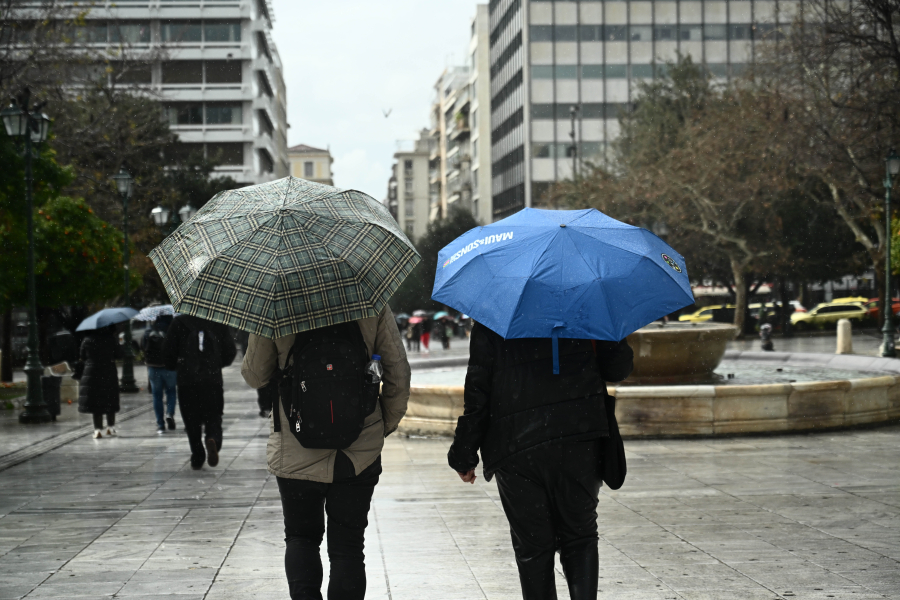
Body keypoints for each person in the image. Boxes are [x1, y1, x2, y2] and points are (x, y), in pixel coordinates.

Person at [448, 322, 633, 600]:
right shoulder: (585, 301)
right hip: (578, 436)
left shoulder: (495, 311)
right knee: (579, 537)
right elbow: (617, 369)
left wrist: (464, 450)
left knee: (533, 548)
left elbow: (478, 389)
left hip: (517, 445)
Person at [241, 305, 410, 600]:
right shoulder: (369, 299)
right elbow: (398, 370)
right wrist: (382, 426)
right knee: (348, 547)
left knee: (301, 538)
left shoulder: (274, 302)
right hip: (358, 450)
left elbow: (255, 375)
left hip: (296, 447)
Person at [163, 315, 237, 470]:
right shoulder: (217, 321)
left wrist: (177, 364)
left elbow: (168, 352)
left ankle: (197, 454)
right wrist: (215, 364)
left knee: (191, 420)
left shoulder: (179, 322)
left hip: (187, 381)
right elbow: (230, 351)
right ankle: (213, 438)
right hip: (212, 380)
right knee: (214, 415)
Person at [76, 325, 122, 439]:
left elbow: (82, 356)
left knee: (95, 401)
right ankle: (110, 427)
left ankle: (98, 429)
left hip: (92, 372)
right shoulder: (110, 339)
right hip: (108, 371)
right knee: (110, 398)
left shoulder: (87, 340)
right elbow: (119, 354)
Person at [142, 314, 177, 434]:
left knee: (156, 395)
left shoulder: (149, 332)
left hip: (153, 367)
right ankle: (170, 413)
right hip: (169, 367)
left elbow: (143, 347)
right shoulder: (173, 331)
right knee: (171, 391)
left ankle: (160, 425)